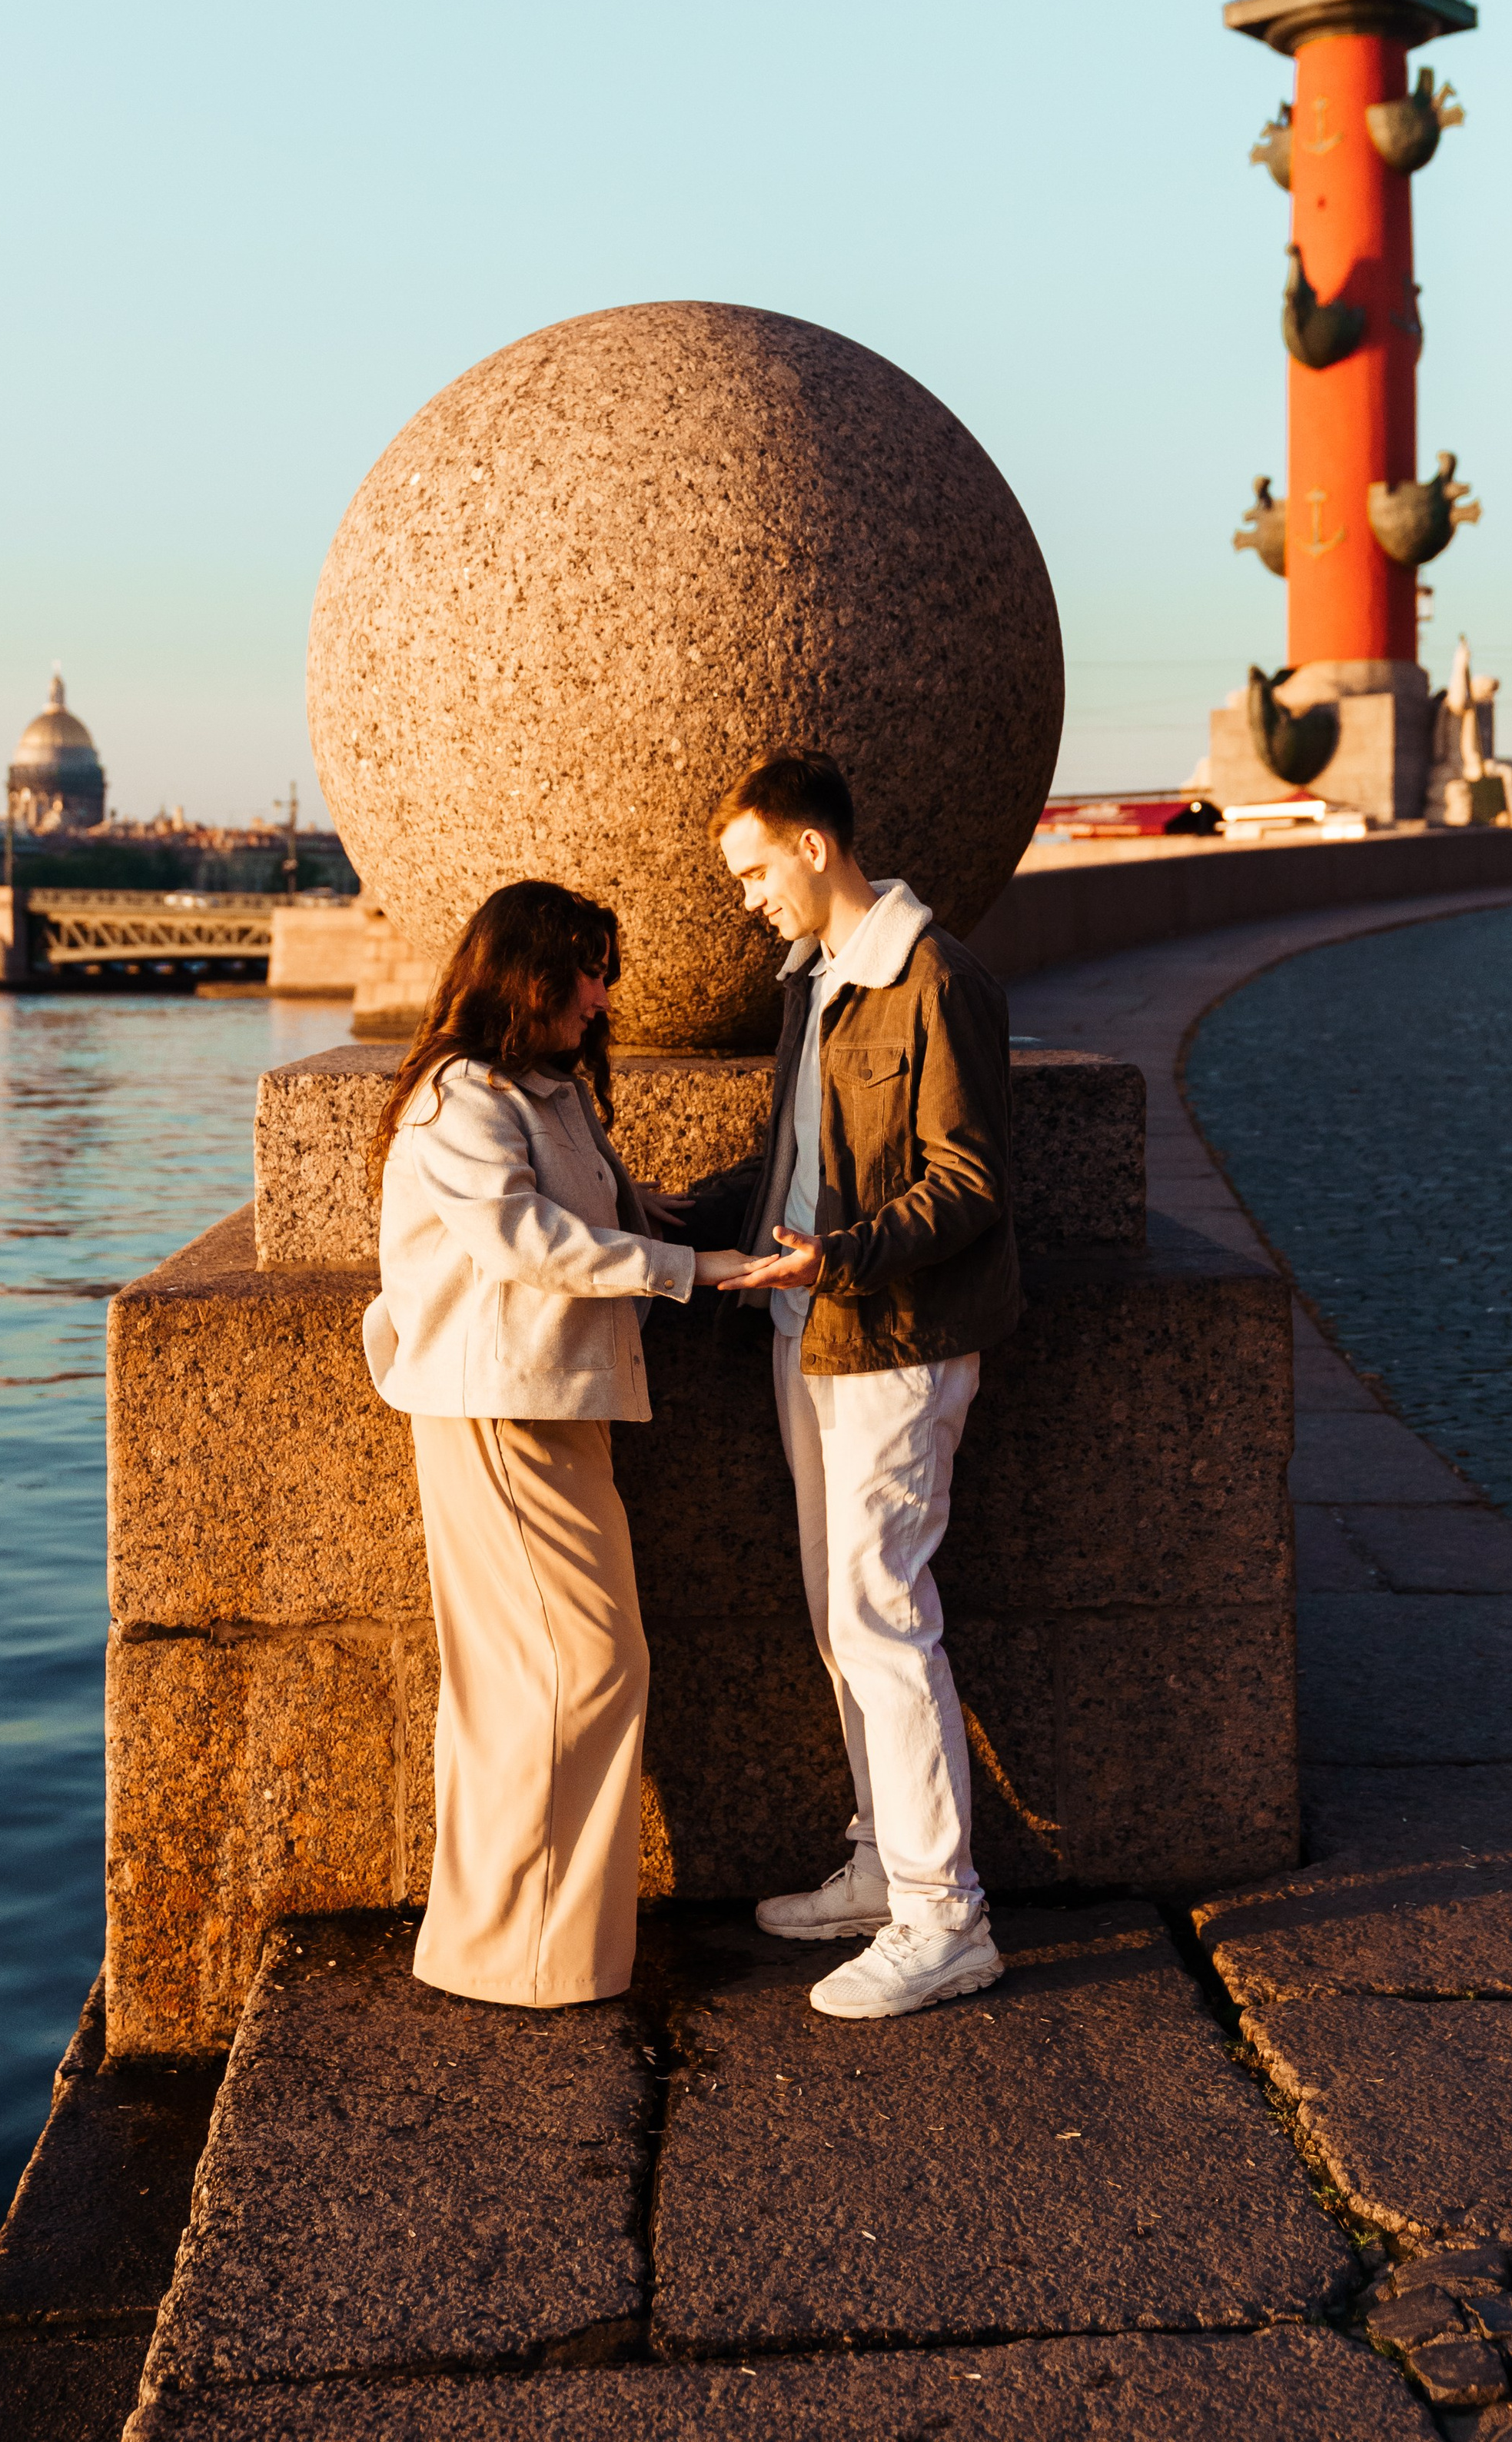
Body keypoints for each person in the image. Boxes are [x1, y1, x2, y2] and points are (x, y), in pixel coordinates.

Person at [364, 878, 753, 2008]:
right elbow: (523, 1240)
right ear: (523, 973)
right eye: (585, 969)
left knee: (534, 1674)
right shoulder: (460, 1095)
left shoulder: (544, 1088)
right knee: (578, 1667)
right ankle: (521, 1957)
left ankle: (510, 1948)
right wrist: (692, 1271)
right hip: (498, 1411)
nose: (601, 995)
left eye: (603, 970)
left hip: (551, 1403)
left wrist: (654, 1210)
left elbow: (576, 1207)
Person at [693, 750, 1020, 2020]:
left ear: (814, 847)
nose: (748, 898)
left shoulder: (935, 979)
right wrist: (689, 1213)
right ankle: (885, 1861)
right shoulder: (816, 978)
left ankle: (946, 1917)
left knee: (884, 1613)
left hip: (896, 1337)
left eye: (753, 870)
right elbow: (796, 1161)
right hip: (804, 1325)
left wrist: (844, 1257)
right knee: (843, 1620)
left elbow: (971, 1181)